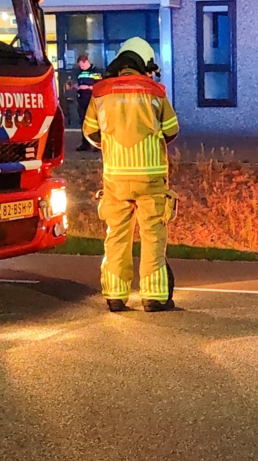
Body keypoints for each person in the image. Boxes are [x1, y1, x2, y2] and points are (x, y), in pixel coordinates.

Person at [82, 37, 179, 312]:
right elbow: (172, 129)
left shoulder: (100, 93)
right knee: (153, 237)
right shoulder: (155, 92)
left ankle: (115, 295)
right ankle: (155, 297)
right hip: (150, 180)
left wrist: (111, 146)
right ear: (144, 65)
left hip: (115, 179)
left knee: (116, 236)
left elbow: (90, 132)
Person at [72, 55, 102, 151]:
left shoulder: (95, 71)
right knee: (83, 122)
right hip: (82, 101)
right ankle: (85, 144)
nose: (81, 68)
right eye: (80, 66)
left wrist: (88, 87)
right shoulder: (80, 72)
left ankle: (97, 144)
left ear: (86, 62)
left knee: (95, 123)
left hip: (92, 100)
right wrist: (76, 87)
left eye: (82, 65)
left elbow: (100, 86)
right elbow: (79, 83)